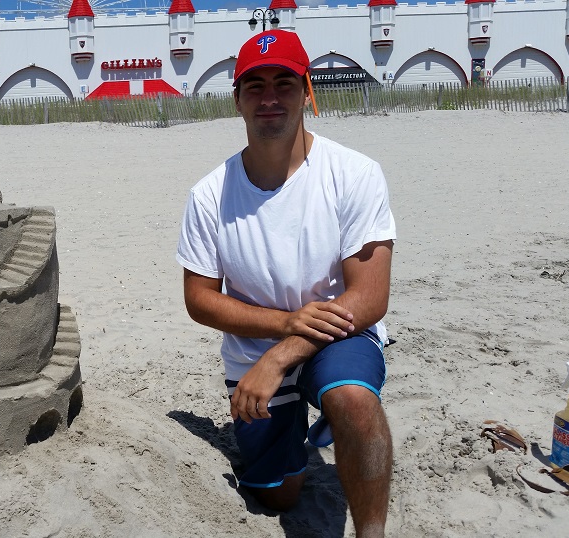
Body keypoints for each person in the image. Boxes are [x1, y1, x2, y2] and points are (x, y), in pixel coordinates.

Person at [176, 30, 396, 538]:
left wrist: (281, 355)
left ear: (307, 92)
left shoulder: (354, 174)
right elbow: (198, 298)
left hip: (335, 334)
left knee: (353, 400)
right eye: (255, 86)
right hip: (254, 348)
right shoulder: (210, 194)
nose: (269, 98)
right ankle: (302, 422)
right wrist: (279, 328)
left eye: (284, 83)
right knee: (279, 495)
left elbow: (369, 297)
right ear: (237, 100)